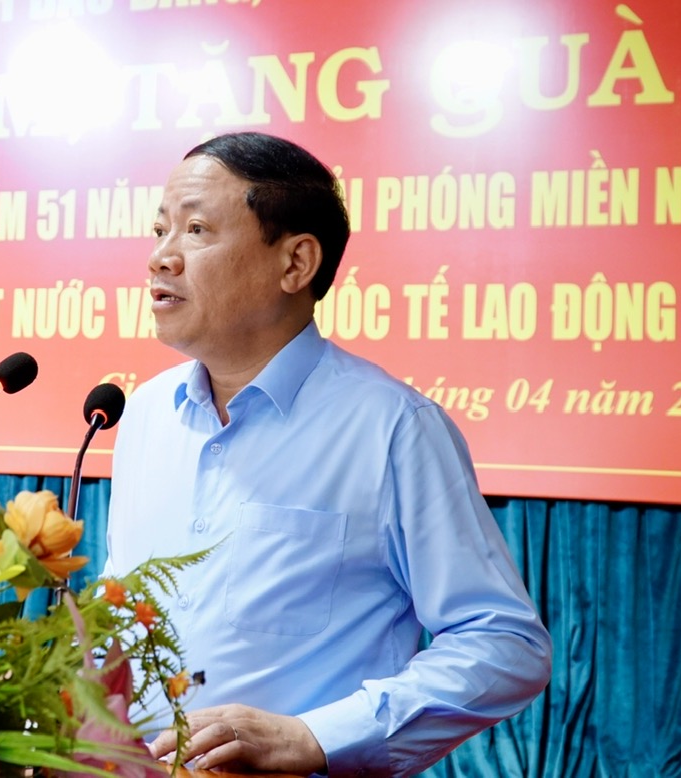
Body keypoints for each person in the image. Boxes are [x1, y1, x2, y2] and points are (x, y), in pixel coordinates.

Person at [102, 131, 552, 777]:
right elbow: (125, 611)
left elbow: (504, 643)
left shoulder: (391, 428)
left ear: (296, 263)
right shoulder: (146, 413)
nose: (160, 258)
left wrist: (313, 736)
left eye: (195, 230)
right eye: (159, 230)